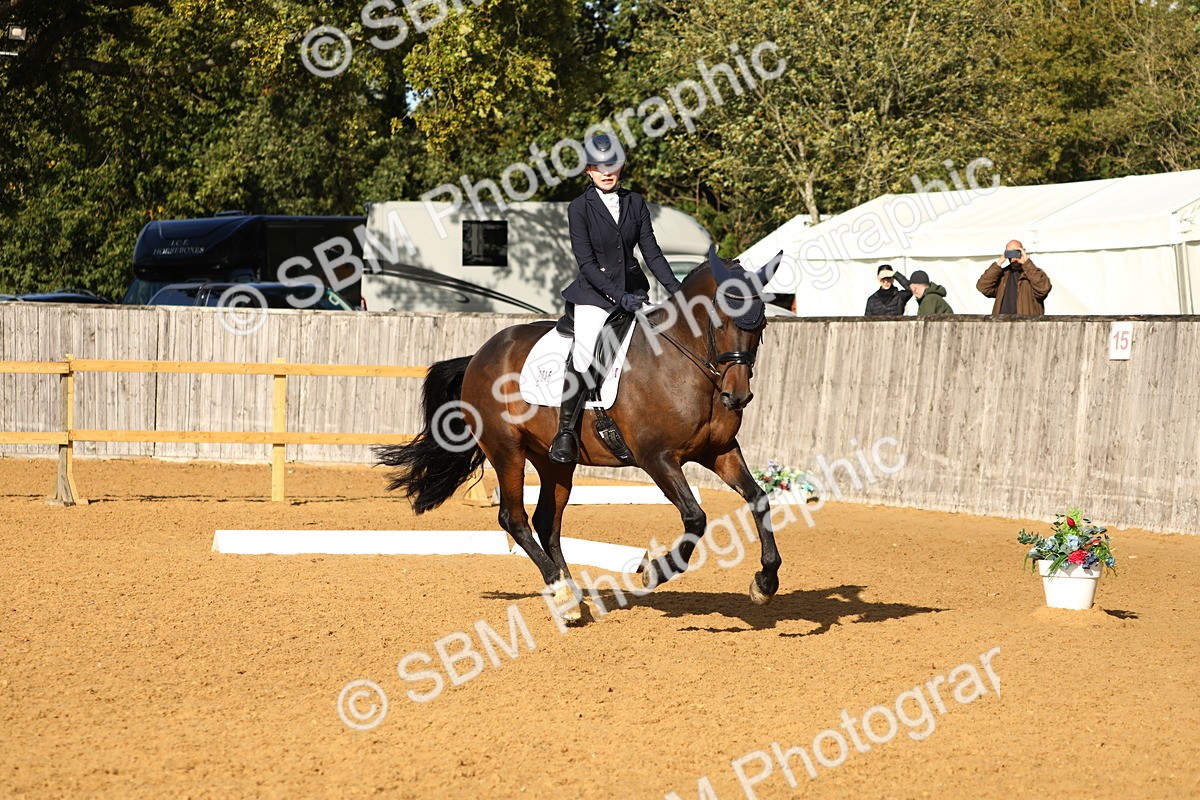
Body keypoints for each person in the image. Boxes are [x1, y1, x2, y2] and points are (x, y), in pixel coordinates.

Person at [549, 134, 683, 464]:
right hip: (595, 296)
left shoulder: (635, 202)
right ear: (588, 171)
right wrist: (619, 296)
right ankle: (565, 432)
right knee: (584, 353)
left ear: (620, 167)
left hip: (634, 293)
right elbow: (587, 265)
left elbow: (652, 253)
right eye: (598, 167)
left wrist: (678, 292)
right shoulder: (579, 208)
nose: (606, 172)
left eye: (612, 165)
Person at [976, 240, 1052, 315]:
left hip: (1025, 322)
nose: (1013, 255)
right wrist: (999, 263)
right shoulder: (1003, 274)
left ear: (1023, 251)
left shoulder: (1033, 273)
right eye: (1010, 252)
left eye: (1016, 251)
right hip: (1002, 321)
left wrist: (1027, 263)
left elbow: (1043, 289)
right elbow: (982, 287)